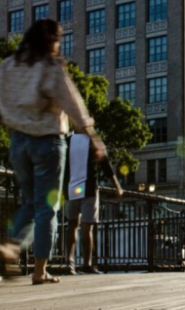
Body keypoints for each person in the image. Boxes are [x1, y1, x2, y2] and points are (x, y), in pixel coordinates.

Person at [0, 19, 106, 285]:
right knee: (47, 207)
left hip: (18, 142)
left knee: (30, 202)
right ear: (53, 40)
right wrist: (92, 136)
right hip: (47, 142)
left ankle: (11, 244)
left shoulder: (8, 66)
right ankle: (39, 270)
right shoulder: (50, 67)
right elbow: (73, 103)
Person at [64, 132, 123, 275]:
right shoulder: (93, 141)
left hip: (71, 188)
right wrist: (117, 186)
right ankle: (87, 264)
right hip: (89, 188)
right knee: (87, 227)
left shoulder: (67, 141)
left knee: (72, 225)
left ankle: (69, 263)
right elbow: (105, 165)